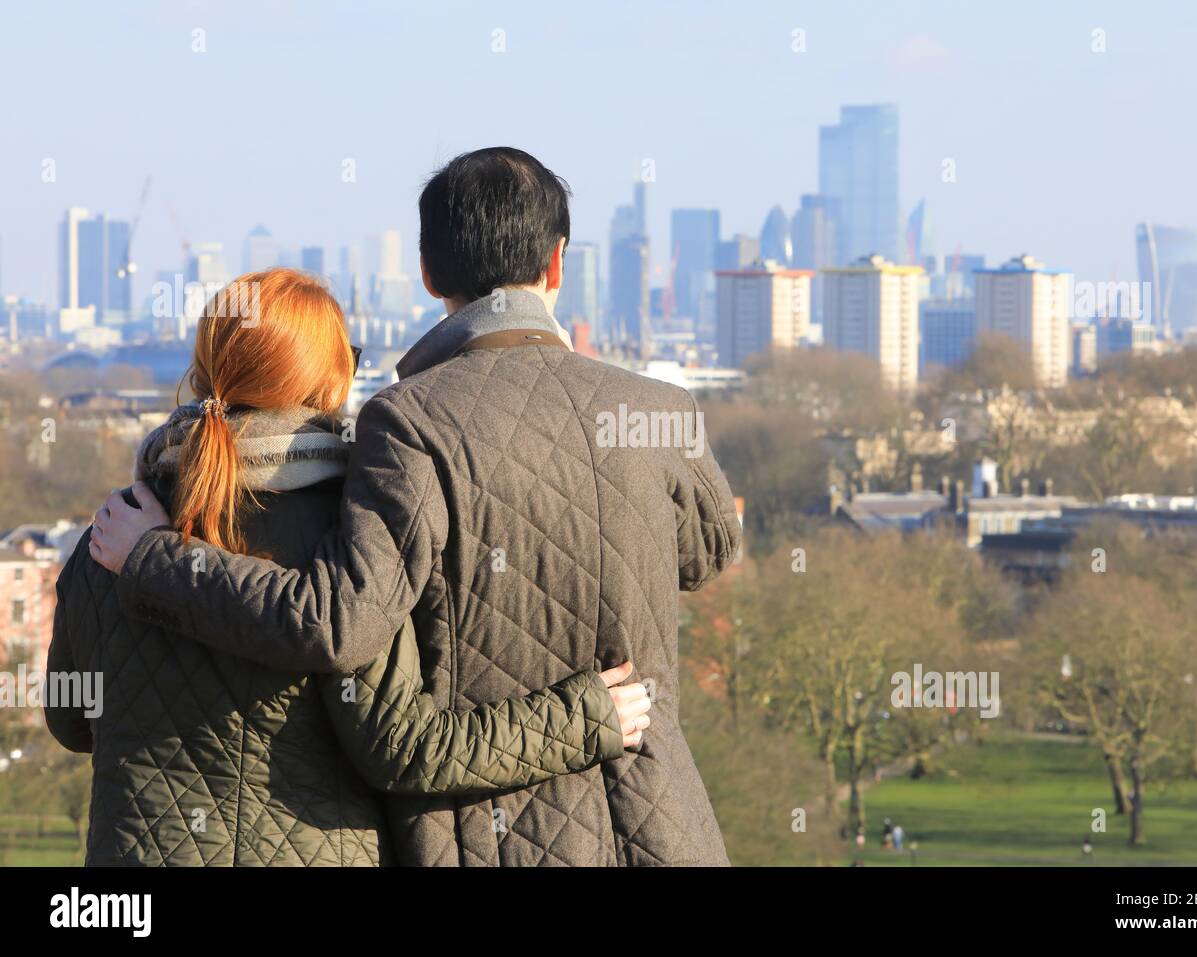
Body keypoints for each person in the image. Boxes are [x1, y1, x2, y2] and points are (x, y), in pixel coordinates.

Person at [90, 147, 741, 866]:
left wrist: (154, 558)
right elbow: (709, 550)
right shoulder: (661, 410)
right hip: (658, 828)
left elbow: (343, 622)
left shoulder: (406, 424)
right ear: (558, 265)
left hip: (484, 837)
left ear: (428, 274)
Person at [47, 268, 651, 866]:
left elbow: (70, 718)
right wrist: (581, 719)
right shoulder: (352, 542)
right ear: (327, 379)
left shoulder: (112, 535)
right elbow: (404, 747)